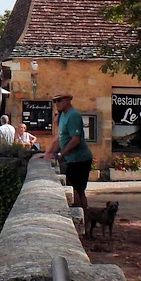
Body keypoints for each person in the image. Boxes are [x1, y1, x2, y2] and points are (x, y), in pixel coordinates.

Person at [43, 92, 94, 222]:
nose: (57, 104)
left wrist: (61, 154)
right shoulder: (63, 116)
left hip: (80, 159)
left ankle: (84, 222)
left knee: (78, 191)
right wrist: (46, 154)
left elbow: (75, 140)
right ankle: (82, 221)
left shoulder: (74, 116)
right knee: (75, 190)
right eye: (55, 101)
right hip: (71, 159)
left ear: (68, 100)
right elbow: (60, 139)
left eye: (59, 100)